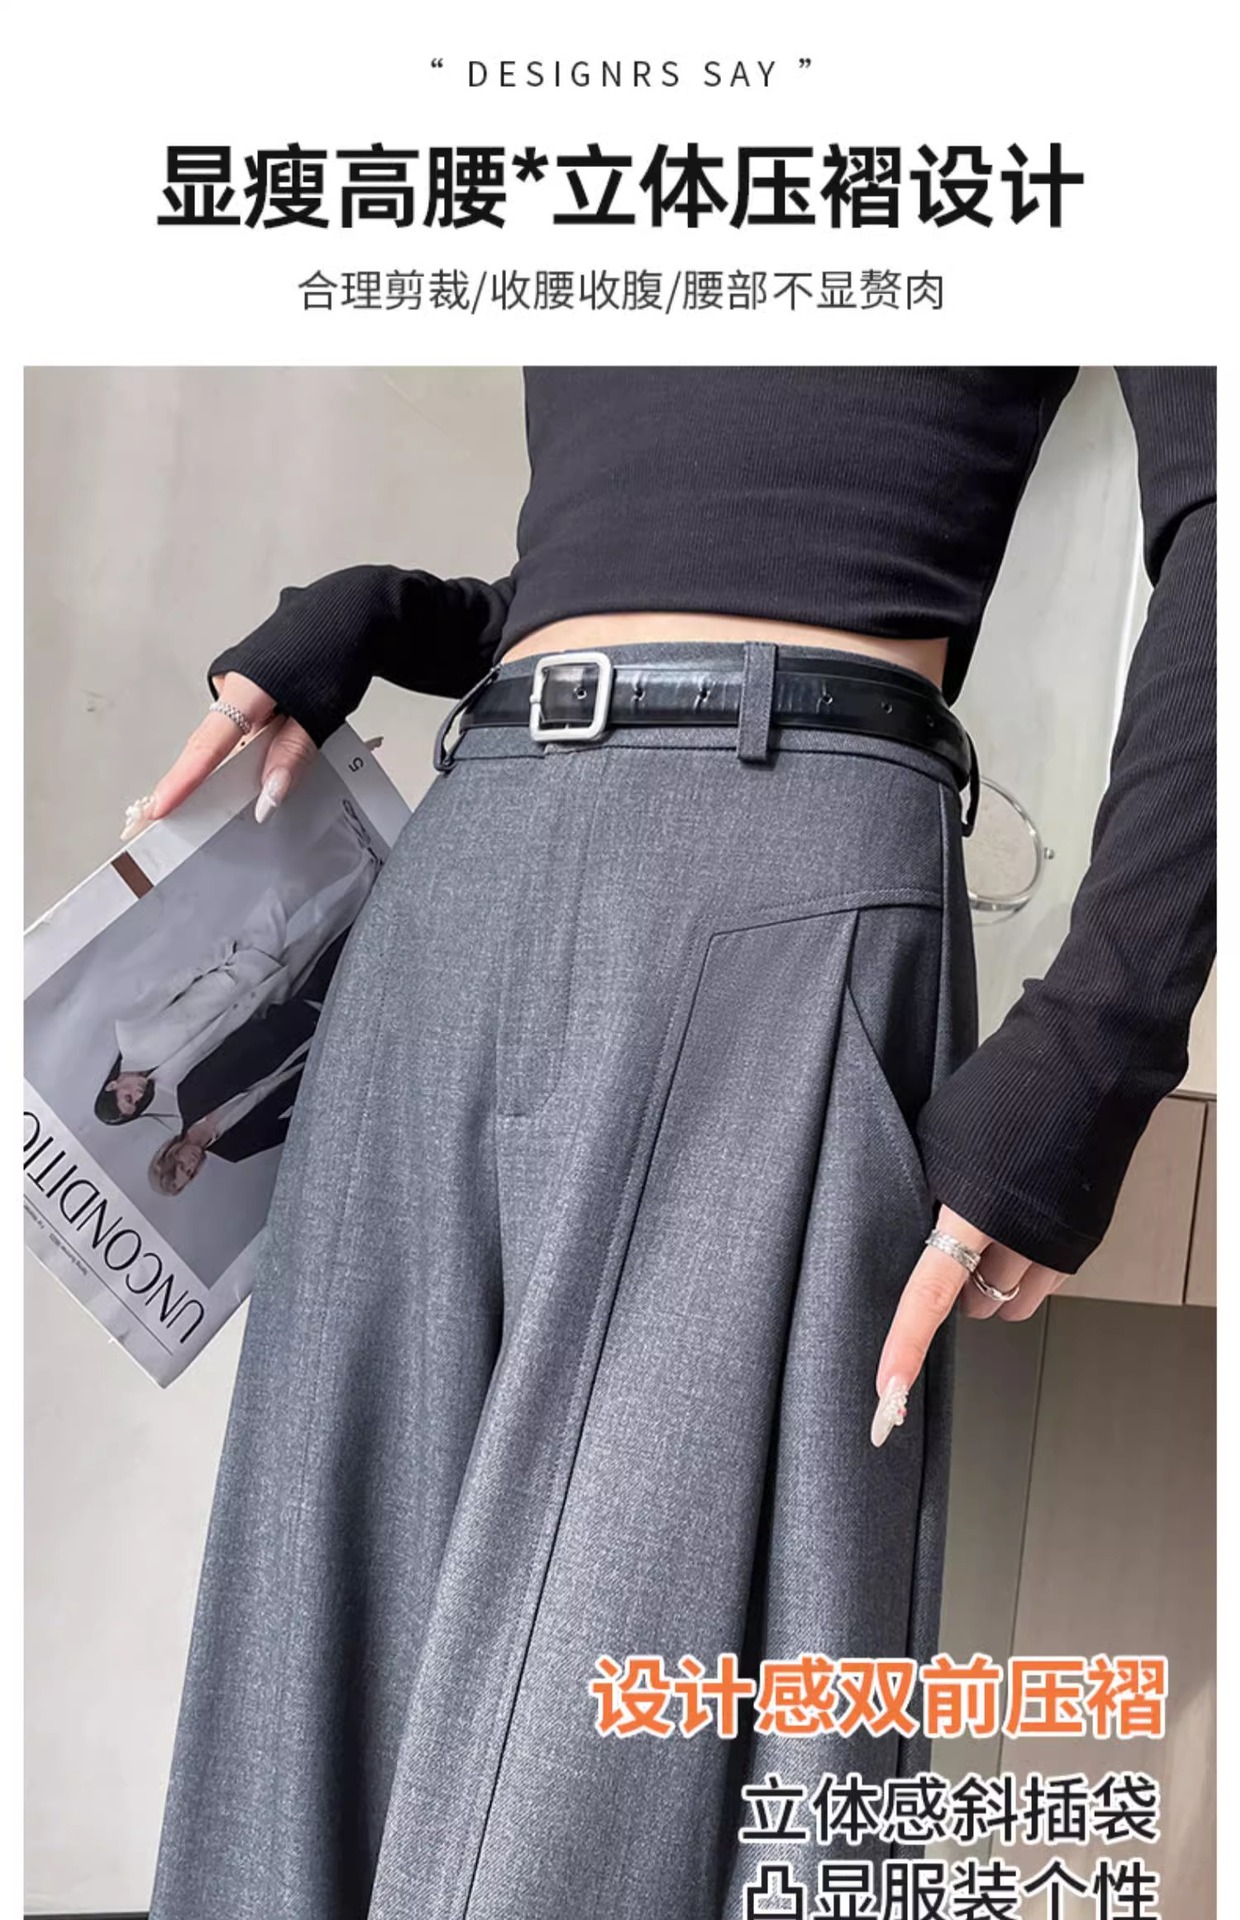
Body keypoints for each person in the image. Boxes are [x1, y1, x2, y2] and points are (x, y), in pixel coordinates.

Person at [142, 368, 1215, 1919]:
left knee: (604, 1772)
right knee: (302, 1686)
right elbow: (682, 517)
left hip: (788, 868)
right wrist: (398, 613)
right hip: (471, 849)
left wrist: (1100, 1036)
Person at [93, 814, 377, 1127]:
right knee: (320, 936)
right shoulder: (171, 1083)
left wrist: (223, 954)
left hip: (234, 967)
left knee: (282, 896)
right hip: (259, 999)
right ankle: (368, 876)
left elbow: (173, 984)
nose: (137, 1096)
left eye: (127, 1098)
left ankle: (346, 838)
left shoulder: (130, 1032)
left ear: (112, 1085)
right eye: (136, 1105)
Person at [147, 930, 351, 1193]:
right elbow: (296, 1127)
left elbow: (233, 1045)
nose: (192, 1166)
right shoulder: (235, 1149)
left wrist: (283, 1017)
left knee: (348, 949)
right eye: (191, 1174)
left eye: (182, 1166)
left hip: (296, 1018)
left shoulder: (188, 1094)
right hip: (328, 1058)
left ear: (171, 1152)